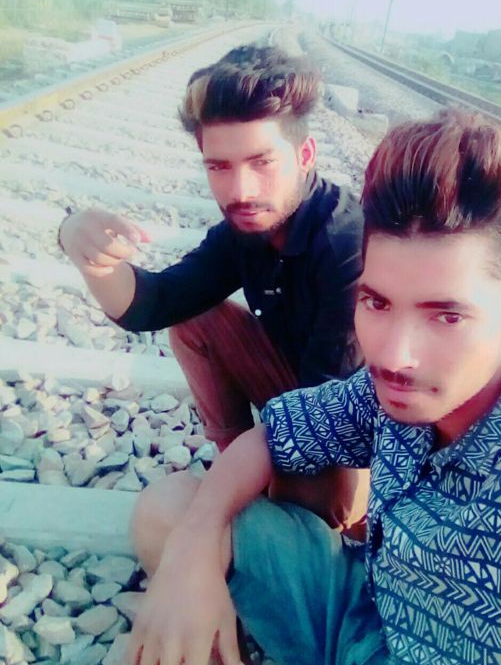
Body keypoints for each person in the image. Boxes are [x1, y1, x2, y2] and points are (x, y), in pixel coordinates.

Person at [127, 108, 501, 665]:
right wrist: (196, 548)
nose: (394, 355)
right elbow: (271, 437)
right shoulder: (392, 389)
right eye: (376, 302)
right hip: (358, 629)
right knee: (170, 511)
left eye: (445, 316)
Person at [58, 42, 368, 529]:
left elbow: (325, 405)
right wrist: (80, 243)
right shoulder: (245, 229)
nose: (241, 191)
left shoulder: (347, 246)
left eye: (262, 162)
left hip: (351, 422)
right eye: (219, 167)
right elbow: (153, 304)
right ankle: (240, 464)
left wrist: (230, 489)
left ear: (305, 154)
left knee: (306, 521)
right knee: (196, 319)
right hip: (299, 393)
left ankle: (327, 501)